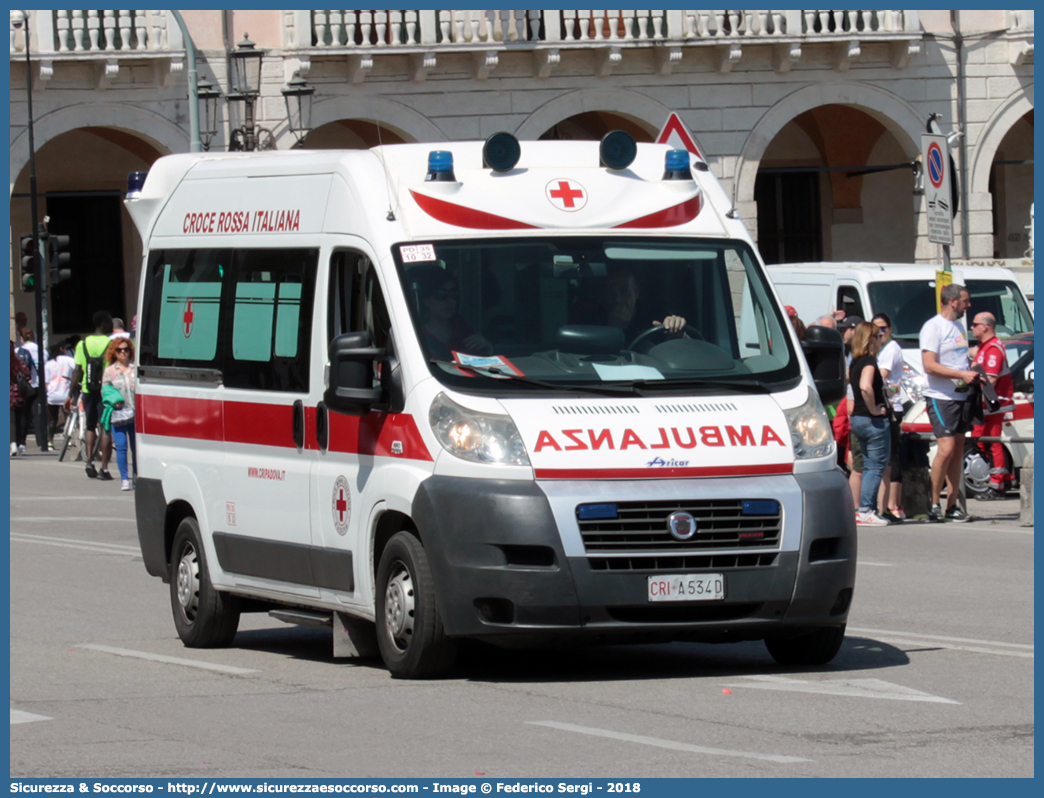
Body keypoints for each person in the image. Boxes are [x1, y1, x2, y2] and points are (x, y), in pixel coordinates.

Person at [919, 283, 977, 522]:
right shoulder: (933, 327)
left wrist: (972, 366)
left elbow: (958, 358)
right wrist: (961, 375)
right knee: (946, 449)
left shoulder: (959, 327)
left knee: (958, 450)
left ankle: (952, 505)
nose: (968, 305)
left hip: (962, 395)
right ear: (953, 301)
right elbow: (929, 365)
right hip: (940, 396)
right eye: (965, 301)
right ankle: (933, 503)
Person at [848, 322, 891, 526]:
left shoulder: (855, 361)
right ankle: (866, 509)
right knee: (875, 466)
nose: (881, 340)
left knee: (867, 464)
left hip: (857, 418)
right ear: (870, 339)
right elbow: (865, 387)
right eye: (878, 336)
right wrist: (874, 408)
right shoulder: (869, 362)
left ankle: (866, 509)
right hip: (870, 419)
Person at [571, 263, 686, 338]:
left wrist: (677, 330)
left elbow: (687, 350)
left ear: (636, 292)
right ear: (602, 296)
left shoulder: (655, 315)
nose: (618, 299)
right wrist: (613, 329)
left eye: (624, 291)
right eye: (611, 294)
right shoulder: (592, 321)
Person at [969, 313, 1015, 500]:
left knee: (991, 441)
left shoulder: (993, 349)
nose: (971, 328)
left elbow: (991, 381)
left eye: (974, 324)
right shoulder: (984, 347)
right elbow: (974, 356)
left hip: (994, 403)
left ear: (985, 327)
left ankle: (997, 486)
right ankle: (1003, 478)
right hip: (985, 404)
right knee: (981, 440)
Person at [65, 311, 115, 480]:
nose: (111, 324)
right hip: (105, 390)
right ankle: (105, 468)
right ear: (103, 323)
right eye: (109, 321)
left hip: (87, 390)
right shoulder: (111, 344)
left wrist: (70, 394)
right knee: (105, 426)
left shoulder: (82, 344)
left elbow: (77, 371)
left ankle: (89, 461)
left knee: (89, 426)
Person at [409, 264, 494, 361]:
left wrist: (488, 348)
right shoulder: (414, 332)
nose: (450, 301)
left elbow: (480, 361)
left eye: (454, 294)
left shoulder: (461, 327)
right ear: (426, 299)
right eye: (441, 294)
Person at [873, 312, 906, 522]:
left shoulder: (890, 349)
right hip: (888, 404)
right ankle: (886, 505)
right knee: (886, 458)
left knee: (890, 457)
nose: (879, 333)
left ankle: (892, 505)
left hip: (892, 405)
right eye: (875, 329)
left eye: (883, 328)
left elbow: (881, 375)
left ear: (890, 330)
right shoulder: (882, 349)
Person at [102, 338, 137, 490]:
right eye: (119, 350)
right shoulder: (109, 371)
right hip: (119, 413)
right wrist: (113, 399)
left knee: (137, 448)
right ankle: (124, 478)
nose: (123, 352)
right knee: (121, 446)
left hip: (136, 413)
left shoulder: (136, 368)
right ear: (114, 353)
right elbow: (105, 391)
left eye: (126, 349)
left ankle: (136, 475)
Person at [838, 315, 864, 507]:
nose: (842, 332)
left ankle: (856, 501)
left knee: (852, 449)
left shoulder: (856, 352)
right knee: (850, 447)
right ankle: (855, 502)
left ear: (854, 330)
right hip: (848, 402)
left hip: (852, 402)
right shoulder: (848, 350)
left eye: (845, 328)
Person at [14, 328, 40, 455]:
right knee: (36, 413)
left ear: (21, 338)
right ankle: (42, 441)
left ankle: (21, 441)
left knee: (22, 414)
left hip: (24, 386)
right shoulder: (41, 349)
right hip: (38, 384)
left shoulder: (18, 351)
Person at [44, 341, 76, 442]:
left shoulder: (49, 363)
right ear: (61, 349)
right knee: (69, 418)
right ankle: (69, 441)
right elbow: (78, 370)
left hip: (52, 394)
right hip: (65, 394)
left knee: (52, 419)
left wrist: (47, 395)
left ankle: (50, 442)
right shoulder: (69, 360)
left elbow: (46, 383)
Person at [10, 340, 31, 457]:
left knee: (10, 420)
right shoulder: (20, 363)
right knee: (19, 419)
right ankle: (19, 442)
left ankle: (12, 443)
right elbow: (27, 375)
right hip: (19, 395)